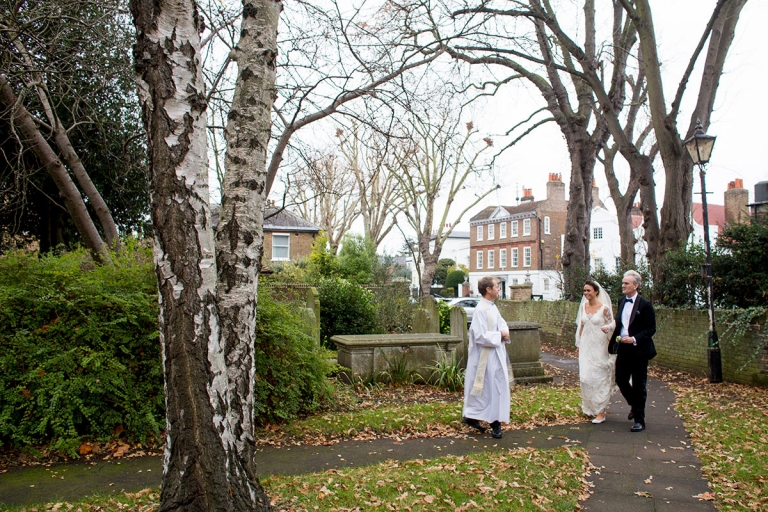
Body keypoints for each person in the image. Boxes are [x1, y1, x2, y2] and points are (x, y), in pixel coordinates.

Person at [462, 276, 510, 439]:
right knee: (490, 389)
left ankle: (471, 416)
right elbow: (480, 336)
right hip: (485, 357)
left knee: (492, 389)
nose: (499, 289)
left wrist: (504, 331)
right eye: (496, 286)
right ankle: (495, 423)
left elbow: (501, 323)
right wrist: (500, 336)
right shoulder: (481, 309)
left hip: (494, 355)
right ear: (488, 290)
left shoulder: (492, 307)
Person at [610, 270, 657, 432]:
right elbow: (619, 323)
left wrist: (635, 338)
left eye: (626, 283)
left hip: (639, 350)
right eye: (623, 283)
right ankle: (634, 404)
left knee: (639, 385)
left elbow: (651, 329)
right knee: (620, 379)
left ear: (635, 286)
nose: (623, 285)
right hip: (623, 348)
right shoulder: (622, 301)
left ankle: (639, 420)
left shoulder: (645, 305)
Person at [575, 280, 617, 424]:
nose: (586, 293)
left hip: (600, 346)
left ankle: (601, 411)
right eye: (584, 291)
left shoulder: (604, 308)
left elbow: (613, 323)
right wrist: (578, 344)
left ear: (596, 292)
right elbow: (581, 325)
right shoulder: (583, 307)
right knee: (585, 378)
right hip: (586, 346)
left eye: (589, 291)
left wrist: (609, 329)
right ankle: (590, 407)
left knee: (599, 378)